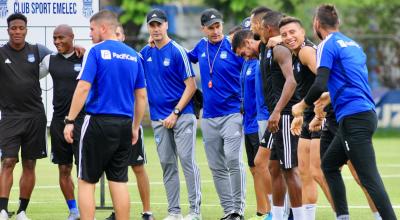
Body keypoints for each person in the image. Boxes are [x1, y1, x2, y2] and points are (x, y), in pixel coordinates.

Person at [292, 4, 397, 220]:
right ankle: (342, 217)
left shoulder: (325, 45)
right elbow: (348, 84)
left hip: (353, 118)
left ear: (317, 24)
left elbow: (320, 82)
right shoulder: (353, 45)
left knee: (369, 177)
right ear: (337, 23)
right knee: (329, 165)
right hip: (363, 114)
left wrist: (302, 106)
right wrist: (322, 106)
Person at [63, 10, 147, 220]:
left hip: (98, 122)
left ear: (103, 28)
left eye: (91, 29)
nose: (90, 34)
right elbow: (142, 96)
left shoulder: (96, 51)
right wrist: (135, 127)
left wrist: (70, 120)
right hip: (124, 125)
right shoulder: (133, 55)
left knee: (86, 180)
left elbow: (83, 88)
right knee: (118, 181)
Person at [140, 9, 201, 220]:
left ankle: (195, 211)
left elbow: (191, 86)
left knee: (186, 160)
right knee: (167, 164)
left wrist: (176, 112)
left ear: (166, 25)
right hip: (158, 118)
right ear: (148, 28)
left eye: (159, 24)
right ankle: (174, 212)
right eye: (152, 25)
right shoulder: (145, 53)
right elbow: (130, 62)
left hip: (182, 116)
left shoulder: (177, 51)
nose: (156, 29)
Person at [187, 8, 246, 220]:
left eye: (218, 26)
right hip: (209, 116)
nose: (215, 31)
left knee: (233, 159)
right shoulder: (201, 46)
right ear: (203, 29)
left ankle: (238, 209)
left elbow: (250, 64)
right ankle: (228, 210)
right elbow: (184, 58)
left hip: (232, 113)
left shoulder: (232, 45)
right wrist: (156, 43)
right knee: (216, 166)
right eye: (210, 28)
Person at [278, 17, 333, 219]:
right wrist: (299, 114)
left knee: (319, 172)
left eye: (293, 32)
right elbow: (306, 87)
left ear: (303, 32)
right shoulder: (294, 54)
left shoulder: (306, 51)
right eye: (284, 35)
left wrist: (318, 110)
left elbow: (324, 81)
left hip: (322, 114)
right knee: (304, 172)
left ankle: (341, 214)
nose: (288, 37)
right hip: (308, 116)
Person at [0, 13, 53, 220]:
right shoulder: (1, 53)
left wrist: (77, 50)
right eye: (14, 28)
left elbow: (60, 57)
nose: (17, 32)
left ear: (26, 29)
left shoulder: (37, 51)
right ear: (8, 30)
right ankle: (3, 210)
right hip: (11, 117)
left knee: (30, 164)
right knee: (8, 162)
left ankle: (22, 211)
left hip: (35, 117)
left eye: (21, 28)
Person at [105, 23, 154, 220]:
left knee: (138, 167)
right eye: (113, 33)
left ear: (123, 36)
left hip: (130, 122)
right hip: (108, 122)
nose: (116, 36)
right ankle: (119, 212)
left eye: (119, 33)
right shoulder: (101, 56)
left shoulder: (134, 57)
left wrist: (136, 124)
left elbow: (149, 58)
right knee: (113, 169)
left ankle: (147, 211)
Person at [259, 11, 304, 220]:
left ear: (267, 28)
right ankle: (277, 216)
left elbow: (292, 81)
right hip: (276, 116)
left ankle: (301, 217)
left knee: (290, 170)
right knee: (273, 167)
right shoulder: (266, 46)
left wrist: (276, 111)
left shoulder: (279, 48)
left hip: (285, 115)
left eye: (255, 24)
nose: (252, 28)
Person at [39, 24, 83, 220]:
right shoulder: (49, 60)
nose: (57, 42)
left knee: (84, 169)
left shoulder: (85, 57)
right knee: (64, 168)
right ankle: (74, 210)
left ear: (72, 37)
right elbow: (27, 74)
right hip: (58, 122)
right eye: (55, 38)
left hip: (82, 121)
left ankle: (86, 208)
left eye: (61, 38)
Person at [232, 30, 272, 220]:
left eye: (242, 51)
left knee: (263, 166)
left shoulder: (258, 63)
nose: (243, 55)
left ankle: (274, 210)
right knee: (254, 167)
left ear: (248, 43)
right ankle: (261, 209)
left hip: (259, 123)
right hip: (247, 124)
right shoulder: (246, 63)